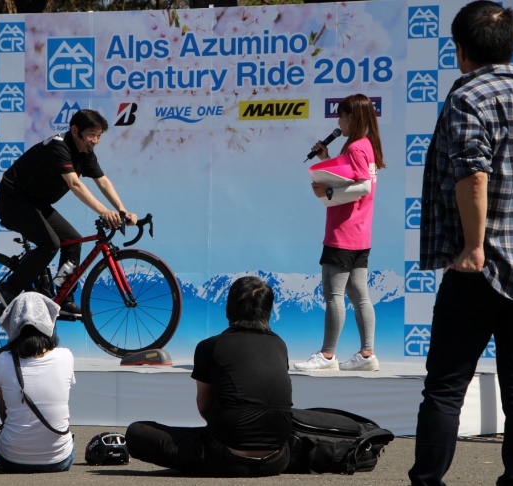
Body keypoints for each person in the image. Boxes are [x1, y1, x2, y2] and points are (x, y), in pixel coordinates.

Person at [408, 2, 513, 485]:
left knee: (445, 387)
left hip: (480, 267)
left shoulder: (469, 96)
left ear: (460, 50)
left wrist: (473, 245)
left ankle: (427, 481)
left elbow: (473, 174)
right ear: (511, 47)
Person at [125, 276, 293, 477]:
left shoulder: (210, 347)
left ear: (228, 309)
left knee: (136, 432)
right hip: (277, 460)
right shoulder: (279, 345)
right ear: (268, 311)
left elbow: (204, 407)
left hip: (223, 457)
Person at [0, 109, 138, 315]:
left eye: (99, 136)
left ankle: (63, 300)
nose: (95, 140)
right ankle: (7, 289)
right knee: (50, 243)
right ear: (75, 130)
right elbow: (74, 184)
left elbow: (103, 181)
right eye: (91, 135)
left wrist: (122, 211)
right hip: (13, 201)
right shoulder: (58, 146)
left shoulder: (85, 152)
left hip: (36, 203)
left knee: (74, 241)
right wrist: (105, 212)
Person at [293, 93, 385, 372]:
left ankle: (327, 355)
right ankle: (367, 355)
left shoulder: (356, 147)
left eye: (341, 116)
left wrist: (328, 190)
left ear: (352, 117)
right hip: (359, 233)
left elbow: (363, 187)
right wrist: (327, 159)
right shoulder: (365, 145)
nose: (338, 121)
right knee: (359, 294)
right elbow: (357, 180)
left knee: (333, 294)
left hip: (343, 233)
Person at [0, 292, 76, 473]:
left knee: (0, 437)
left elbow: (3, 409)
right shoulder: (66, 356)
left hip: (12, 460)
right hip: (59, 459)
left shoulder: (0, 361)